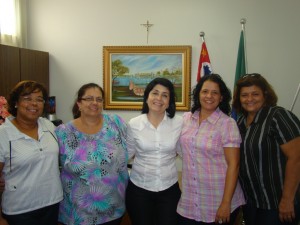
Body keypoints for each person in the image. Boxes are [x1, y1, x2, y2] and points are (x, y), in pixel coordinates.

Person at [55, 83, 128, 225]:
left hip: (113, 210)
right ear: (79, 104)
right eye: (89, 98)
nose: (94, 103)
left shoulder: (116, 123)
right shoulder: (62, 133)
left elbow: (137, 146)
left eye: (99, 99)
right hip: (77, 214)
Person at [177, 74, 245, 225]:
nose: (209, 96)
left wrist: (226, 203)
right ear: (198, 94)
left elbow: (234, 165)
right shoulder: (185, 119)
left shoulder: (227, 123)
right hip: (189, 202)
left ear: (221, 97)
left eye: (215, 92)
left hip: (218, 201)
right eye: (205, 91)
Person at [232, 73, 300, 225]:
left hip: (277, 204)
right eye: (244, 95)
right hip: (252, 203)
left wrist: (287, 200)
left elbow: (296, 158)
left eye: (255, 94)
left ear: (265, 95)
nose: (249, 99)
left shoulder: (278, 116)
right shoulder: (240, 122)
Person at [0, 80, 63, 225]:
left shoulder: (49, 126)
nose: (34, 103)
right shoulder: (3, 134)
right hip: (19, 210)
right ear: (16, 102)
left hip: (52, 203)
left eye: (39, 100)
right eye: (27, 99)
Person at [125, 78, 183, 225]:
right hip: (139, 190)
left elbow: (185, 150)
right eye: (155, 93)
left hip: (169, 189)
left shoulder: (180, 122)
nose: (159, 98)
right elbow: (126, 155)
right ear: (147, 96)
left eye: (165, 95)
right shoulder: (134, 124)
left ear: (170, 100)